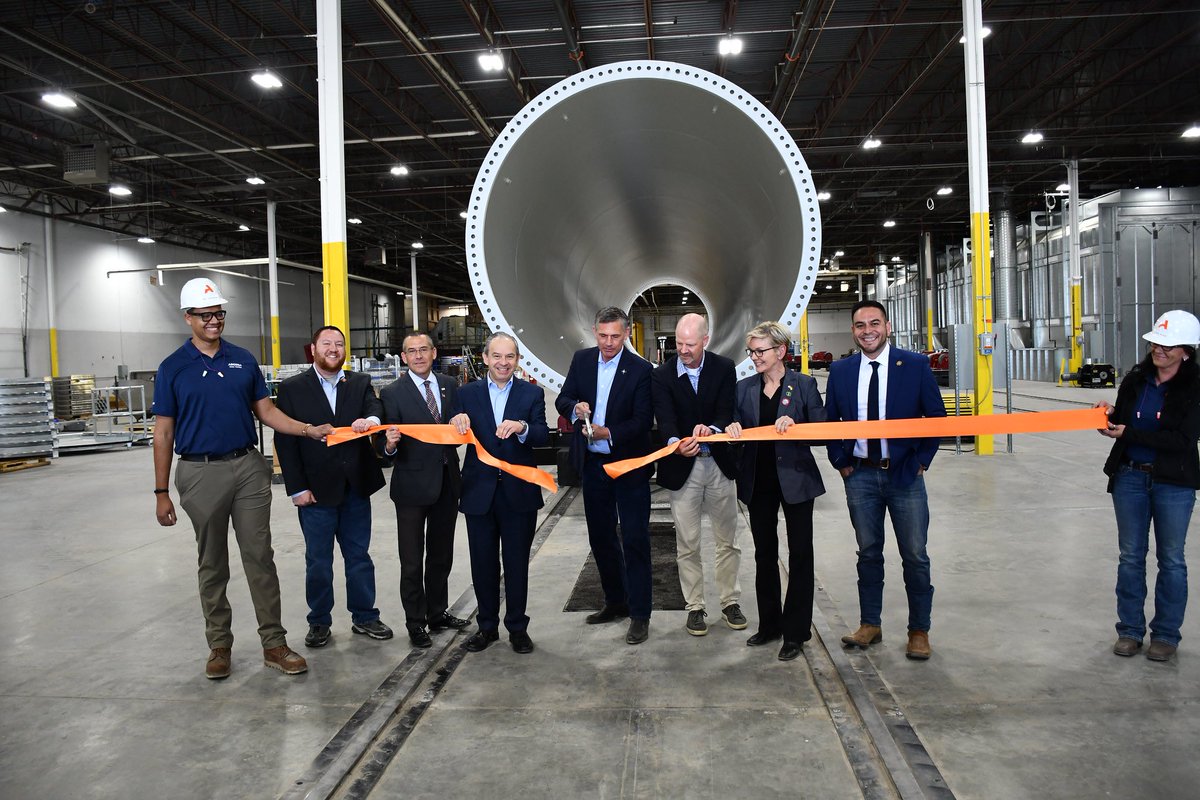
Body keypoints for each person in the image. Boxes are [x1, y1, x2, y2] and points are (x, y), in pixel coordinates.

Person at [152, 277, 333, 679]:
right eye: (205, 315)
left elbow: (266, 413)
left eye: (218, 313)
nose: (214, 321)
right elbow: (163, 432)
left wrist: (307, 429)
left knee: (259, 557)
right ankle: (219, 645)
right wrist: (161, 491)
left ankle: (274, 643)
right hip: (199, 471)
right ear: (188, 318)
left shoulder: (242, 359)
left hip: (249, 468)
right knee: (212, 562)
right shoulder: (172, 368)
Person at [825, 300, 945, 660]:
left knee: (915, 555)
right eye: (860, 325)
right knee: (868, 552)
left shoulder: (914, 365)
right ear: (853, 331)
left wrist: (922, 460)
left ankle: (919, 631)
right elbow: (831, 421)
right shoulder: (841, 371)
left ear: (887, 326)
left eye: (874, 323)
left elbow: (936, 418)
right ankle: (870, 624)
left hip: (905, 475)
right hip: (860, 476)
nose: (867, 330)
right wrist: (840, 462)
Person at [274, 326, 393, 649]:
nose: (334, 349)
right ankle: (319, 621)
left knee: (359, 557)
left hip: (355, 487)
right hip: (315, 491)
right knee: (318, 560)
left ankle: (365, 616)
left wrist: (369, 420)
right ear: (312, 349)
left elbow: (376, 409)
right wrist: (296, 487)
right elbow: (285, 441)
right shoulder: (292, 389)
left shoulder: (359, 382)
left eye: (339, 344)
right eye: (327, 343)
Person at [1097, 309, 1200, 663]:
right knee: (1130, 557)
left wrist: (1131, 432)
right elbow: (1123, 420)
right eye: (1156, 342)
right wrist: (1108, 417)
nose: (1159, 350)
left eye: (1168, 346)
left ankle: (1166, 635)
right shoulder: (1137, 379)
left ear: (1186, 351)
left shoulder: (1194, 386)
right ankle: (1129, 631)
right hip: (1130, 477)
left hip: (1173, 482)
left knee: (1171, 560)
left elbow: (1183, 439)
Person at [726, 321, 825, 661]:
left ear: (780, 351)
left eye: (760, 351)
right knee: (764, 555)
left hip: (796, 482)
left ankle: (796, 632)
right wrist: (733, 428)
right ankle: (770, 625)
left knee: (800, 556)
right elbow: (733, 426)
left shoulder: (804, 385)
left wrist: (797, 427)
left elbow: (821, 432)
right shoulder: (743, 389)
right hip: (759, 483)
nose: (754, 357)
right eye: (751, 351)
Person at [556, 307, 655, 645]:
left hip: (628, 467)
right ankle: (616, 601)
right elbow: (563, 398)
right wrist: (574, 409)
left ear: (627, 334)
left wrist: (608, 432)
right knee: (600, 538)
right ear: (594, 332)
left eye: (615, 336)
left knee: (635, 539)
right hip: (594, 467)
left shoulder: (642, 370)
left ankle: (640, 614)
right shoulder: (582, 360)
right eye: (603, 335)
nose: (609, 342)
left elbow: (643, 421)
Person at [449, 332, 550, 654]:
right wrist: (456, 421)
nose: (503, 363)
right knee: (483, 564)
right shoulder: (466, 393)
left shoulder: (531, 394)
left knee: (517, 564)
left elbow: (541, 434)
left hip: (518, 494)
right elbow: (454, 434)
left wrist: (522, 429)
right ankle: (487, 627)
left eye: (510, 357)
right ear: (485, 358)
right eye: (497, 356)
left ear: (517, 360)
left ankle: (518, 627)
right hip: (479, 492)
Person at [651, 313, 745, 637]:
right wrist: (675, 444)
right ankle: (695, 607)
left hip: (719, 464)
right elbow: (663, 418)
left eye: (690, 344)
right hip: (683, 469)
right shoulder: (662, 375)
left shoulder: (723, 367)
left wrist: (713, 430)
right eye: (679, 343)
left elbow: (726, 409)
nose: (684, 350)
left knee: (727, 541)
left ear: (705, 340)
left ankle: (730, 601)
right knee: (687, 544)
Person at [380, 333, 470, 649]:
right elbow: (384, 441)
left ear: (434, 353)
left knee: (441, 555)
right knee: (412, 560)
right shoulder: (392, 393)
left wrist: (463, 422)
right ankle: (416, 623)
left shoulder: (449, 385)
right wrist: (389, 445)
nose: (418, 356)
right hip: (411, 488)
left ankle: (437, 613)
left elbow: (459, 428)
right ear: (403, 357)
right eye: (411, 351)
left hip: (447, 482)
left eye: (423, 350)